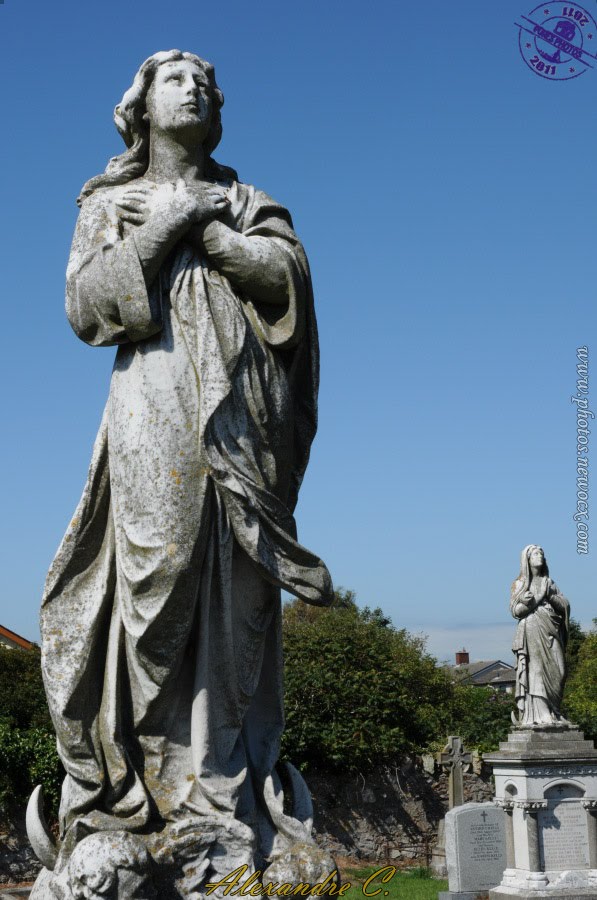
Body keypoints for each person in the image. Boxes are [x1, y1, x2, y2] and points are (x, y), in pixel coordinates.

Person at [34, 49, 333, 888]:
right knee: (155, 572)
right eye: (175, 77)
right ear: (138, 104)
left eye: (204, 79)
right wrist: (162, 222)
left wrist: (206, 224)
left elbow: (284, 280)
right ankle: (131, 791)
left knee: (238, 588)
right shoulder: (108, 202)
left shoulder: (247, 200)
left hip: (244, 415)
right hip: (155, 395)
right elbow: (87, 310)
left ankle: (221, 793)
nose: (193, 86)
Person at [510, 545, 570, 726]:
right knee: (536, 670)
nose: (540, 556)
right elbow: (516, 611)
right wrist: (535, 598)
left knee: (560, 671)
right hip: (532, 629)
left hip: (551, 628)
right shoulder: (520, 584)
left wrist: (550, 596)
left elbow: (564, 606)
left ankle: (555, 712)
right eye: (536, 553)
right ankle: (542, 714)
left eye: (542, 553)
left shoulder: (549, 582)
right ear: (527, 559)